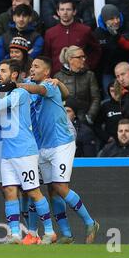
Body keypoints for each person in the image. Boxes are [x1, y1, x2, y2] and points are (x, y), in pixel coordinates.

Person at [17, 56, 99, 244]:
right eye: (31, 66)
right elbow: (64, 91)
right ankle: (67, 234)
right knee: (52, 190)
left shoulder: (49, 85)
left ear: (46, 72)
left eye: (36, 66)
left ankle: (89, 221)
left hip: (62, 143)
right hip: (43, 146)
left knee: (61, 187)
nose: (32, 69)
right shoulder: (32, 82)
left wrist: (17, 86)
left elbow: (39, 90)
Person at [0, 59, 57, 244]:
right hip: (8, 151)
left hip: (24, 151)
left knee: (33, 191)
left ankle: (49, 232)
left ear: (14, 74)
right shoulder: (3, 93)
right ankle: (15, 234)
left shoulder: (21, 93)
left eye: (3, 71)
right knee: (9, 190)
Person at [44, 0, 101, 76]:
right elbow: (46, 56)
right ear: (58, 12)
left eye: (68, 9)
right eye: (62, 9)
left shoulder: (85, 30)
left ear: (74, 12)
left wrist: (87, 66)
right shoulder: (50, 33)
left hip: (81, 76)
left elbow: (96, 50)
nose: (65, 12)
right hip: (57, 77)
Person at [93, 4, 129, 98]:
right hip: (108, 72)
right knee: (110, 97)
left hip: (128, 70)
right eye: (112, 19)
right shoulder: (98, 34)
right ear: (105, 20)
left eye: (117, 17)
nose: (116, 21)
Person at [54, 46, 100, 125]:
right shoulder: (58, 77)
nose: (84, 59)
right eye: (80, 57)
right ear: (70, 59)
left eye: (84, 56)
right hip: (65, 120)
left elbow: (96, 98)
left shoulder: (90, 75)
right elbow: (56, 101)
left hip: (84, 119)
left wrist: (89, 117)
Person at [93, 81, 123, 146]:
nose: (115, 93)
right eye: (112, 91)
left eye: (117, 90)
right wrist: (107, 137)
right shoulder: (105, 106)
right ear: (109, 92)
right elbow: (96, 125)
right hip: (111, 142)